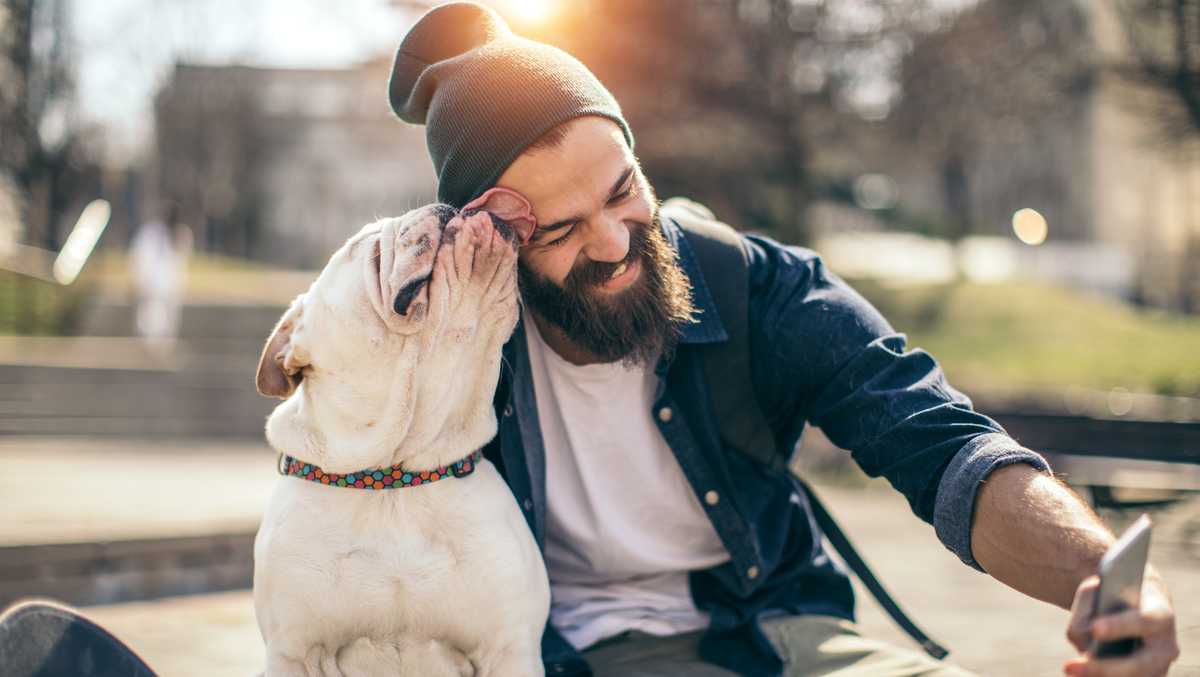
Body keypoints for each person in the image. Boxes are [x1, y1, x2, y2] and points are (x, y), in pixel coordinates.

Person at [385, 3, 1180, 677]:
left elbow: (943, 447)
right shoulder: (453, 349)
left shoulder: (755, 286)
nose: (614, 243)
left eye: (624, 191)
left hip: (775, 632)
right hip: (555, 652)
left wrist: (1102, 577)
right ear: (493, 245)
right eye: (560, 229)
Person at [129, 203, 192, 357]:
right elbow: (141, 258)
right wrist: (141, 280)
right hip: (152, 285)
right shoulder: (150, 233)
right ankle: (149, 350)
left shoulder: (181, 234)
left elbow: (181, 260)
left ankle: (162, 351)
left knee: (168, 321)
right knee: (150, 320)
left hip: (171, 286)